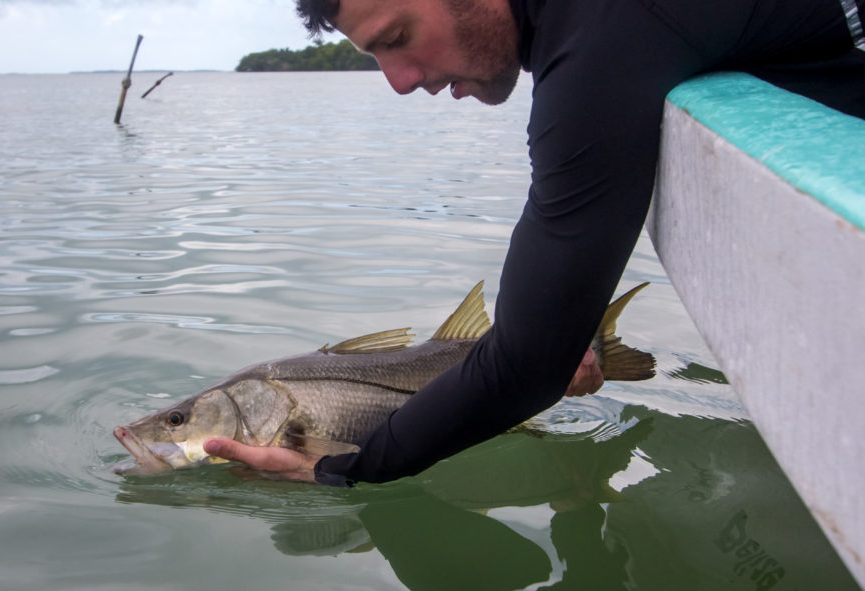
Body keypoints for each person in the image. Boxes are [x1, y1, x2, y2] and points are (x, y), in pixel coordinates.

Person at [204, 0, 865, 485]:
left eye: (399, 38)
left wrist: (341, 466)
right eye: (375, 56)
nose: (400, 81)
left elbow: (526, 363)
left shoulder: (602, 37)